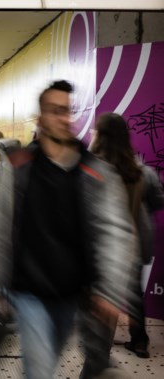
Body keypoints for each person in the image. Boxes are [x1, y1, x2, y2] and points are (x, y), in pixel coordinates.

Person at [0, 80, 137, 379]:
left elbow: (114, 231)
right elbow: (0, 225)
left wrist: (110, 290)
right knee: (39, 370)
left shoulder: (93, 171)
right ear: (40, 119)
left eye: (67, 110)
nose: (64, 117)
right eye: (55, 111)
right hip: (28, 291)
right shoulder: (21, 166)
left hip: (71, 293)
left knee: (46, 360)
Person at [80, 113, 164, 374]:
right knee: (111, 318)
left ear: (100, 136)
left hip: (95, 256)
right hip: (127, 253)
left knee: (94, 334)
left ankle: (96, 369)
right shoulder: (139, 172)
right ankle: (125, 349)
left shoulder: (91, 169)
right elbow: (157, 201)